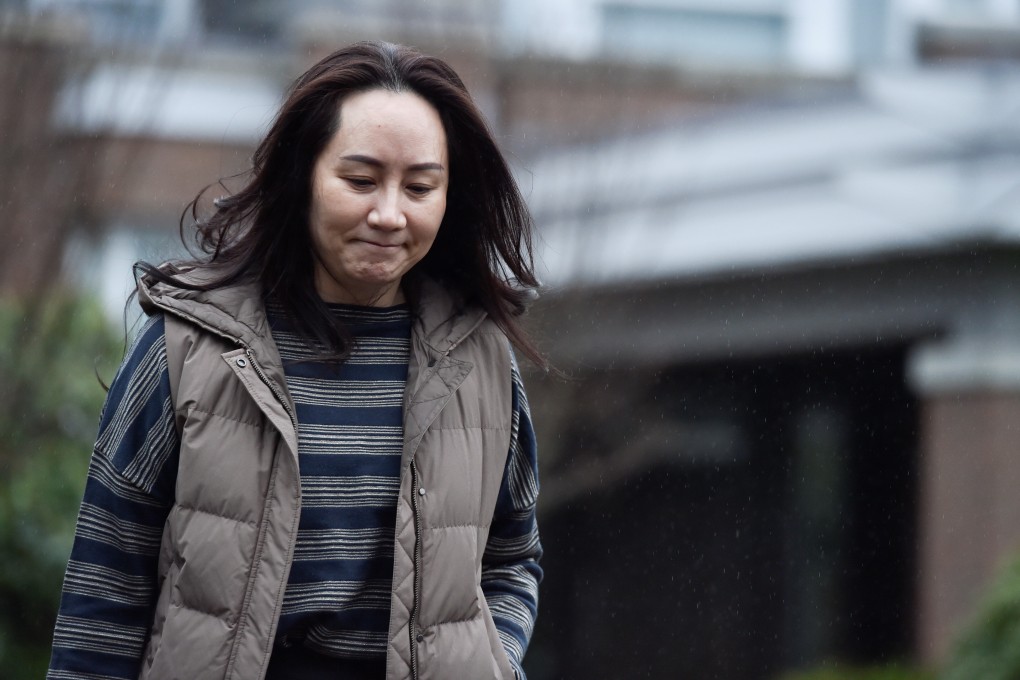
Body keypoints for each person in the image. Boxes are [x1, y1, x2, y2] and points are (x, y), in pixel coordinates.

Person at [47, 41, 544, 680]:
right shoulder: (190, 344)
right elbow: (108, 573)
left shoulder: (480, 358)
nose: (389, 213)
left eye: (420, 186)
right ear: (302, 175)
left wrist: (490, 662)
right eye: (360, 180)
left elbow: (511, 556)